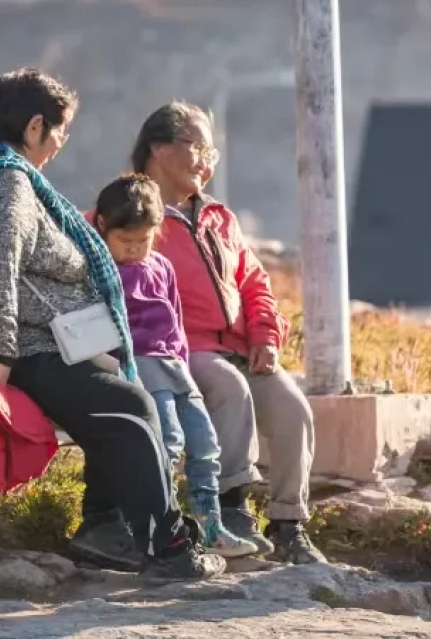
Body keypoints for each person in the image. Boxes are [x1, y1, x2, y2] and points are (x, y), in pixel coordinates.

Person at [0, 67, 225, 581]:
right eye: (61, 130)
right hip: (19, 348)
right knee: (130, 405)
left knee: (124, 400)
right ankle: (166, 546)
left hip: (33, 340)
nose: (62, 141)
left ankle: (109, 531)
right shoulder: (7, 184)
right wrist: (0, 361)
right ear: (36, 126)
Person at [111, 101, 326, 565]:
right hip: (177, 350)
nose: (207, 159)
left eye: (212, 149)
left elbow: (254, 283)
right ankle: (231, 510)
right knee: (229, 389)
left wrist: (266, 336)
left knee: (292, 409)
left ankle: (289, 524)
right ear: (159, 147)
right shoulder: (127, 213)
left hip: (240, 347)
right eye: (198, 145)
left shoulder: (219, 218)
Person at [93, 173, 259, 558]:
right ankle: (157, 527)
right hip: (140, 365)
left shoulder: (162, 267)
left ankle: (211, 525)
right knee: (167, 444)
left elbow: (176, 320)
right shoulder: (101, 269)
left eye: (143, 240)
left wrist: (183, 362)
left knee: (205, 444)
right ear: (104, 228)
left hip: (175, 365)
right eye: (125, 241)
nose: (135, 250)